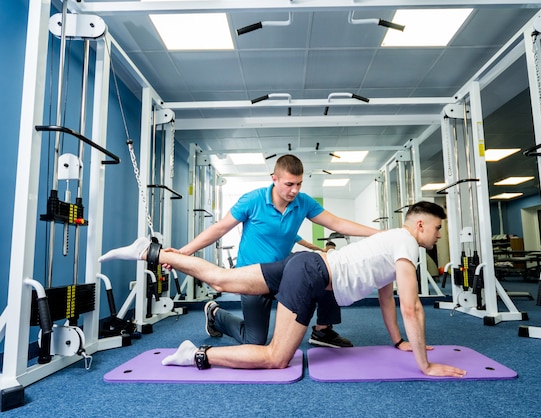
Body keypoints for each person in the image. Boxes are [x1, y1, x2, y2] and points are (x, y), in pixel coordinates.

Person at [99, 201, 466, 378]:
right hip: (311, 274)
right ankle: (198, 355)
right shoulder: (407, 245)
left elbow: (389, 299)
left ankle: (152, 252)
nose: (437, 236)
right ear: (420, 225)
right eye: (437, 230)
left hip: (303, 265)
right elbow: (411, 307)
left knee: (221, 280)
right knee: (276, 356)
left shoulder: (392, 244)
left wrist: (399, 342)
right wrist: (425, 364)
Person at [172, 154, 379, 347]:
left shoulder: (303, 202)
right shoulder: (253, 200)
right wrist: (183, 253)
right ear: (274, 179)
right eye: (289, 184)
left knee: (326, 269)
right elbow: (219, 228)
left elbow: (337, 223)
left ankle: (322, 331)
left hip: (283, 274)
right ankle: (216, 314)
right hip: (251, 276)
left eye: (299, 184)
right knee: (255, 341)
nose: (295, 190)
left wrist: (378, 234)